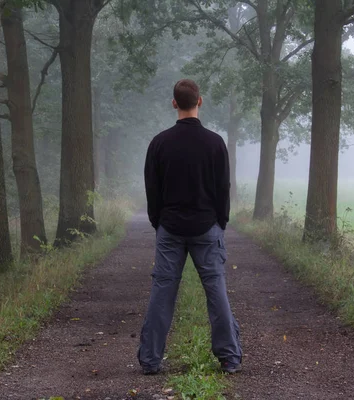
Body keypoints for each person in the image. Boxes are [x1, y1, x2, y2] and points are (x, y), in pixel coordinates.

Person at [138, 79, 242, 375]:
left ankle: (150, 360)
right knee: (216, 290)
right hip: (207, 227)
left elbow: (152, 189)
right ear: (200, 101)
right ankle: (229, 357)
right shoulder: (215, 143)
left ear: (174, 103)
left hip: (169, 228)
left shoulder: (159, 143)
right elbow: (224, 188)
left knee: (162, 292)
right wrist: (220, 221)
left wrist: (158, 222)